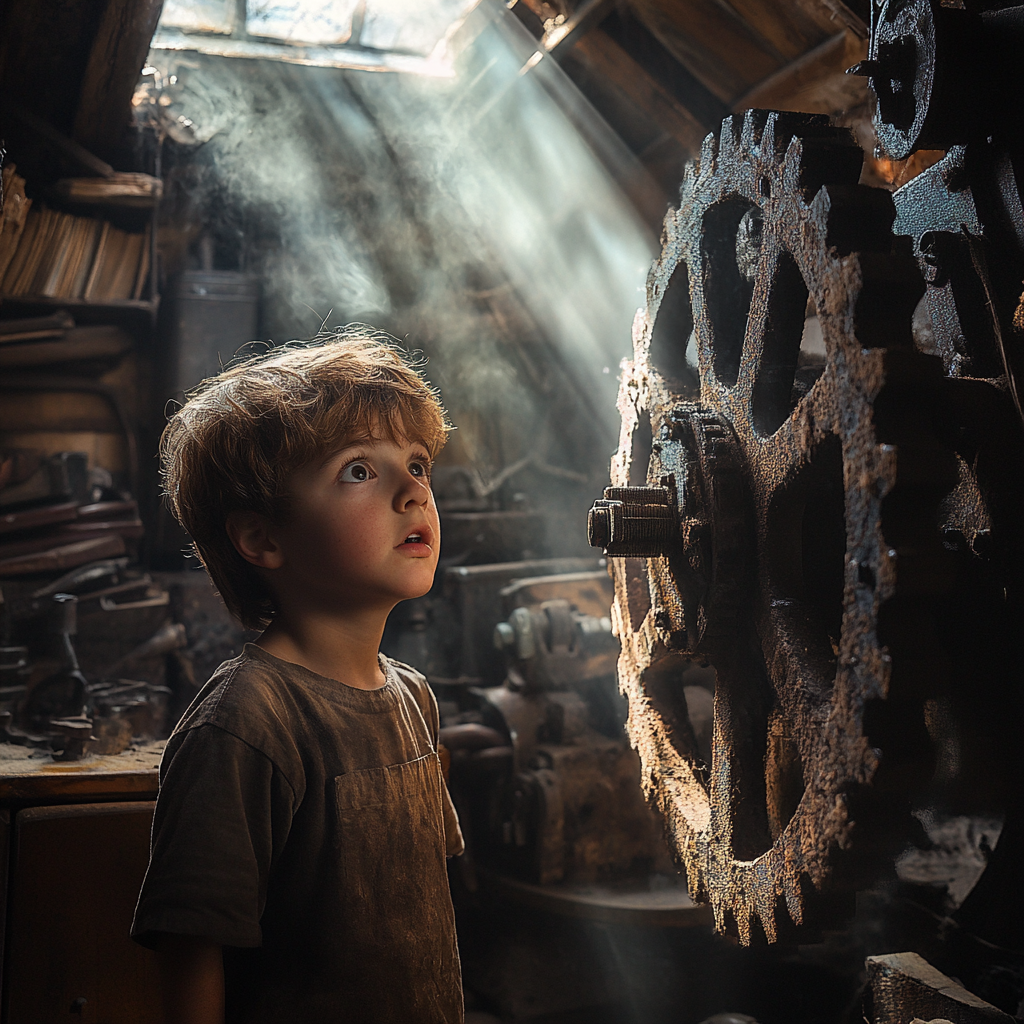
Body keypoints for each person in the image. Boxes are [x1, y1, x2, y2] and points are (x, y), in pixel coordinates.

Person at [131, 330, 464, 1024]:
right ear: (263, 539)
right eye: (358, 472)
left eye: (418, 464)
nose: (412, 492)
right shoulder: (245, 723)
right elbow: (193, 955)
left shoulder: (413, 700)